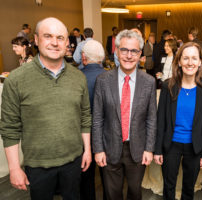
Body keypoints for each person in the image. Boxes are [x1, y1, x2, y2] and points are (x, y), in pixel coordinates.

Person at [0, 17, 92, 200]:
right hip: (38, 165)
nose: (54, 43)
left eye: (60, 38)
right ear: (36, 39)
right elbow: (9, 127)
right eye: (48, 36)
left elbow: (84, 116)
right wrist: (14, 168)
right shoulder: (16, 80)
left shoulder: (78, 77)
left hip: (74, 161)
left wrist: (87, 150)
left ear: (67, 43)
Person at [92, 29, 157, 200]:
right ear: (116, 51)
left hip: (137, 149)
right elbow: (97, 118)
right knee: (112, 194)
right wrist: (98, 149)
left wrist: (149, 148)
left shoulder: (149, 82)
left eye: (134, 51)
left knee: (135, 193)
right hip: (109, 147)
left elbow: (151, 118)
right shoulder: (103, 81)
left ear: (140, 54)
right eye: (124, 50)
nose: (129, 55)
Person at [154, 42, 202, 200]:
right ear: (179, 61)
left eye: (194, 58)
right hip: (170, 145)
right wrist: (158, 149)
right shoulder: (168, 86)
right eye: (185, 58)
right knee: (169, 186)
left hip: (195, 147)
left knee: (189, 188)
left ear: (200, 61)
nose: (190, 62)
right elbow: (161, 120)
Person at [80, 40, 106, 200]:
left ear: (84, 57)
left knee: (85, 176)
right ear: (101, 58)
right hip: (106, 132)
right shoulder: (111, 76)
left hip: (83, 133)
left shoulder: (76, 77)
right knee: (108, 175)